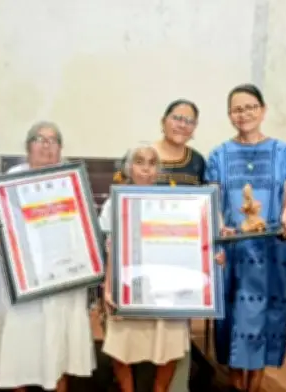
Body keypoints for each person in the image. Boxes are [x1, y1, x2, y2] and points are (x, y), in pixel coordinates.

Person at [0, 122, 95, 391]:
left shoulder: (71, 180)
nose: (46, 145)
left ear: (61, 149)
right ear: (27, 146)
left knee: (59, 338)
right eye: (39, 139)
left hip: (62, 273)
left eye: (53, 141)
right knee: (20, 338)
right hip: (21, 276)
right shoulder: (10, 179)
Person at [207, 84, 286, 392]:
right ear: (229, 115)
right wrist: (221, 227)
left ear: (263, 110)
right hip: (233, 250)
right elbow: (214, 201)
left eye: (249, 107)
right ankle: (235, 386)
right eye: (236, 109)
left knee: (264, 320)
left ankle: (255, 387)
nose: (243, 114)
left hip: (272, 247)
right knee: (234, 321)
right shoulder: (218, 155)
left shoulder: (283, 151)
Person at [113, 99, 210, 392]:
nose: (182, 124)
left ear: (194, 129)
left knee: (171, 339)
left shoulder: (198, 162)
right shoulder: (144, 153)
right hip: (137, 264)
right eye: (176, 117)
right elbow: (120, 210)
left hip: (178, 264)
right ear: (163, 121)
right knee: (129, 338)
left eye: (189, 120)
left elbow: (205, 210)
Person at [100, 144, 192, 392]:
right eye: (140, 162)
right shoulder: (114, 203)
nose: (146, 168)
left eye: (152, 163)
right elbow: (110, 248)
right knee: (121, 345)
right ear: (129, 168)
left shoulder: (169, 202)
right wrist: (108, 286)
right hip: (127, 284)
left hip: (162, 286)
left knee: (170, 343)